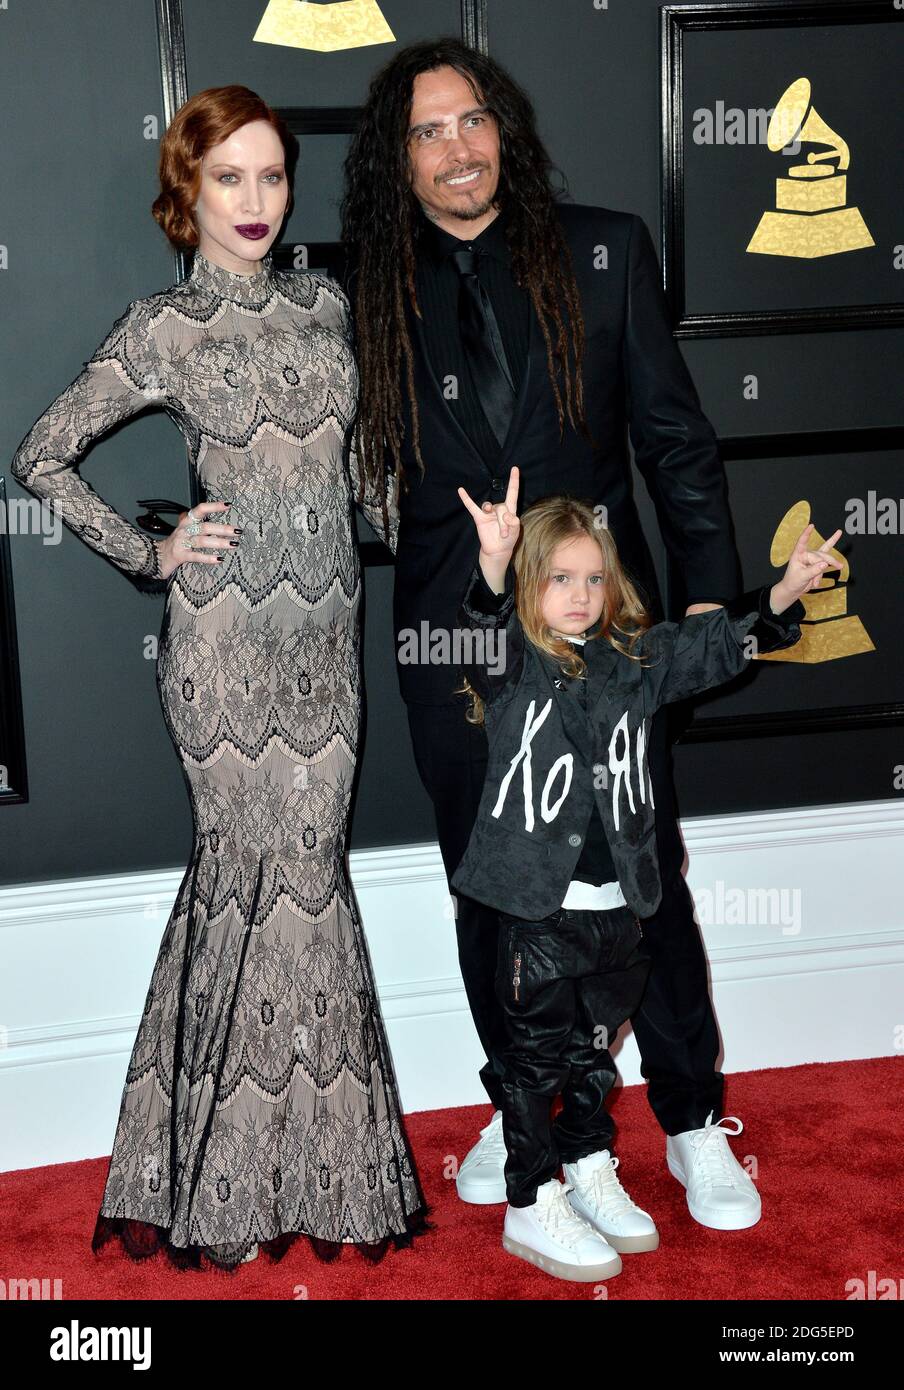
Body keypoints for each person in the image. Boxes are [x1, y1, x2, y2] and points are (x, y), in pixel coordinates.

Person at [340, 36, 771, 1222]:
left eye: (470, 120)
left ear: (505, 131)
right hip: (456, 643)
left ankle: (688, 1116)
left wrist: (701, 603)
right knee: (495, 891)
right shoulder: (369, 293)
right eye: (425, 132)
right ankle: (531, 1109)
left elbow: (676, 443)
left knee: (642, 882)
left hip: (599, 631)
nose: (454, 148)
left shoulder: (606, 250)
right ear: (398, 160)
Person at [10, 85, 428, 1272]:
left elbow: (363, 482)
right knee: (253, 886)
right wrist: (154, 553)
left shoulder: (326, 306)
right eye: (229, 178)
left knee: (310, 889)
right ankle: (221, 1184)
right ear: (185, 193)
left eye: (273, 176)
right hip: (224, 651)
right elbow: (41, 455)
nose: (255, 202)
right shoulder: (162, 330)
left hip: (323, 652)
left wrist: (448, 536)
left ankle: (308, 1171)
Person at [449, 468, 841, 1282]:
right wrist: (491, 567)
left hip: (617, 910)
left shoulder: (636, 659)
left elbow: (709, 648)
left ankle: (589, 1168)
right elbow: (481, 628)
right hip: (534, 911)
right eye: (560, 578)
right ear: (531, 585)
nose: (581, 594)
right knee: (534, 1064)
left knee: (594, 1056)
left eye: (594, 578)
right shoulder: (513, 664)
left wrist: (780, 596)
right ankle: (530, 1201)